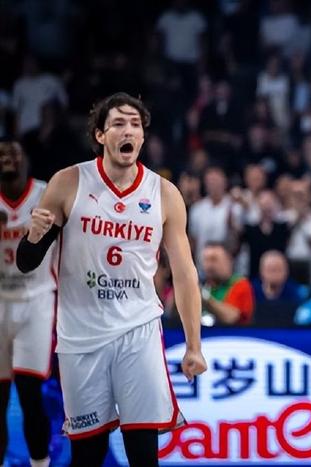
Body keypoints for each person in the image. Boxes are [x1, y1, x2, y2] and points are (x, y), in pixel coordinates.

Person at [16, 92, 207, 467]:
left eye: (135, 124)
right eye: (119, 123)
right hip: (80, 335)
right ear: (100, 135)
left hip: (138, 331)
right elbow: (27, 262)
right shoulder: (69, 182)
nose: (129, 130)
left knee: (142, 449)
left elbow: (185, 273)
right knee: (87, 453)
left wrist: (194, 346)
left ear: (143, 136)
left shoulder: (164, 193)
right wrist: (33, 236)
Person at [0, 139, 53, 467]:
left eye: (13, 153)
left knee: (30, 395)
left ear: (26, 160)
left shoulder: (47, 194)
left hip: (36, 301)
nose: (7, 158)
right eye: (1, 154)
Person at [200, 241, 254, 326]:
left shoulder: (240, 284)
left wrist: (204, 298)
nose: (209, 265)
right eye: (206, 260)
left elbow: (231, 317)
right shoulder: (203, 285)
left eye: (214, 259)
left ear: (229, 260)